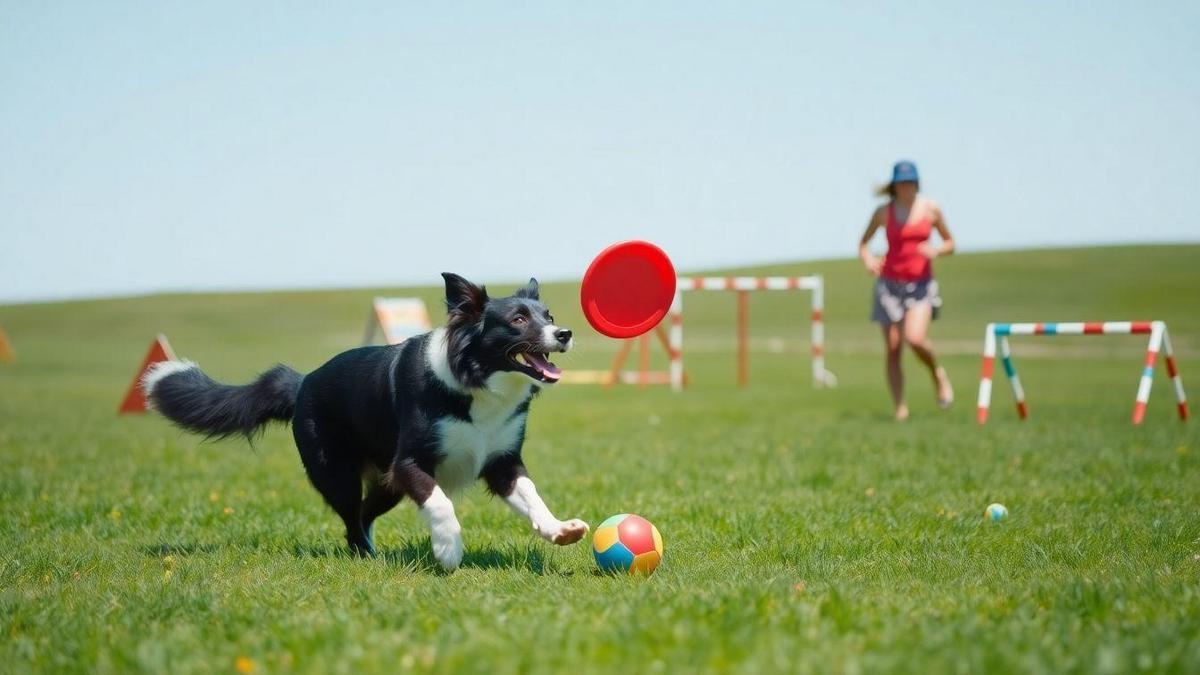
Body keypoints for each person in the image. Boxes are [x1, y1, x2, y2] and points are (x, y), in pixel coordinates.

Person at [858, 160, 956, 421]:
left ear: (917, 183)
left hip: (920, 285)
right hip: (889, 285)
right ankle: (900, 407)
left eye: (911, 183)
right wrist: (868, 259)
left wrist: (935, 250)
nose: (907, 188)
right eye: (902, 183)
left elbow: (951, 243)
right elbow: (863, 243)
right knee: (892, 348)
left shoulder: (930, 209)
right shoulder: (883, 212)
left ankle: (937, 374)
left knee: (915, 338)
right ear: (895, 186)